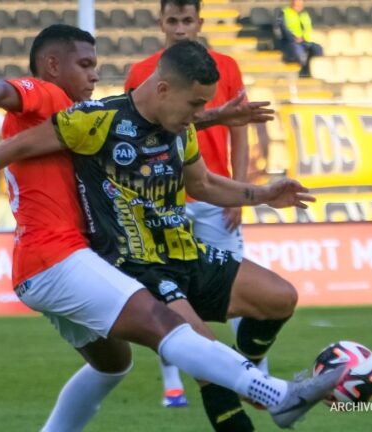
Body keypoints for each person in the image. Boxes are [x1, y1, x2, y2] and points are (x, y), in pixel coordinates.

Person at [0, 26, 344, 431]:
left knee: (113, 366)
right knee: (168, 327)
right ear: (53, 65)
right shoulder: (47, 96)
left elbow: (141, 127)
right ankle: (277, 394)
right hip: (58, 257)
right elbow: (1, 91)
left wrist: (217, 127)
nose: (96, 75)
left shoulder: (97, 118)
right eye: (86, 65)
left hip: (51, 262)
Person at [125, 0, 266, 410]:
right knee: (167, 293)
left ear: (200, 23)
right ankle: (174, 385)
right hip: (160, 197)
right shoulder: (142, 72)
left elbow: (239, 129)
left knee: (238, 286)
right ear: (161, 23)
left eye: (188, 20)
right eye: (174, 20)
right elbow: (132, 135)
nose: (181, 28)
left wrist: (241, 187)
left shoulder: (225, 66)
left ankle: (256, 372)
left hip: (214, 191)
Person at [276, 0, 323, 77]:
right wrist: (293, 37)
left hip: (304, 40)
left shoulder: (304, 14)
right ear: (292, 5)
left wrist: (304, 37)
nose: (299, 7)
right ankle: (300, 68)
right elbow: (284, 29)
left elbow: (308, 28)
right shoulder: (285, 13)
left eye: (301, 5)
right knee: (298, 50)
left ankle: (307, 69)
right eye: (297, 5)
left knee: (317, 48)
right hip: (290, 41)